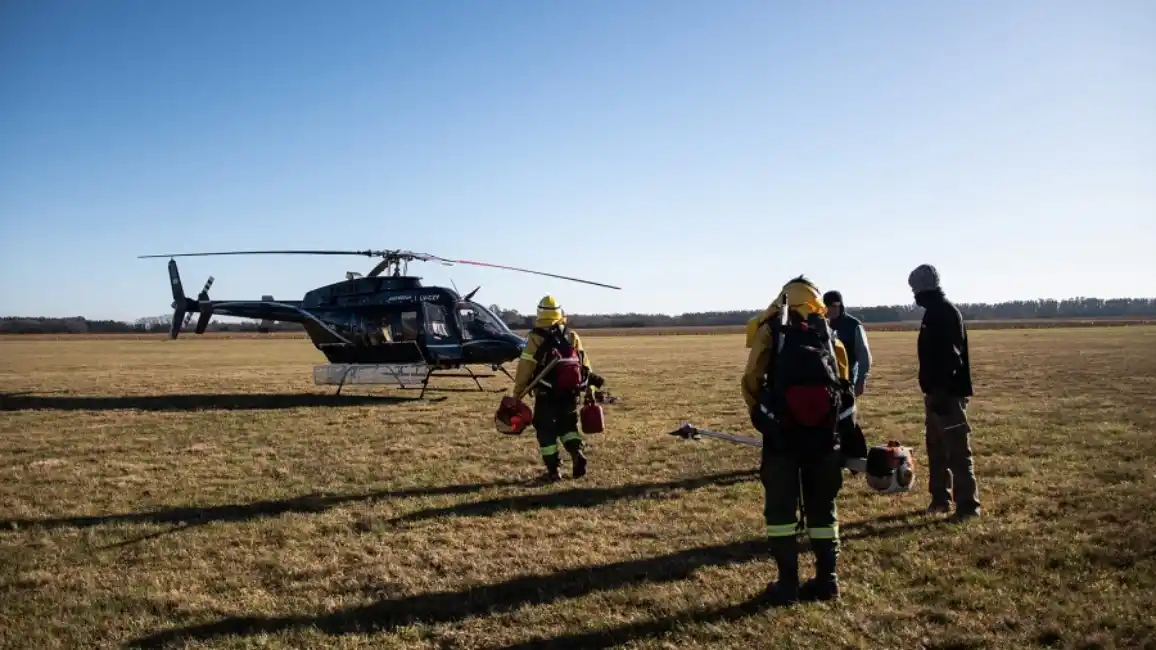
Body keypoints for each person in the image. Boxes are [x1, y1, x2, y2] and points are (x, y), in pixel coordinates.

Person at [742, 275, 859, 605]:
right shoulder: (827, 331)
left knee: (780, 510)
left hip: (783, 436)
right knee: (824, 508)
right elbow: (843, 381)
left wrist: (763, 415)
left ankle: (788, 584)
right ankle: (828, 581)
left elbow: (751, 378)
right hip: (825, 436)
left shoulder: (771, 330)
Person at [908, 264, 980, 520]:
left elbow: (951, 358)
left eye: (915, 290)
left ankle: (968, 505)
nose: (914, 296)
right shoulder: (932, 312)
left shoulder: (944, 313)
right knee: (936, 450)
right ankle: (940, 498)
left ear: (925, 288)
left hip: (947, 396)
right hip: (935, 395)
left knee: (957, 451)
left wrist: (940, 392)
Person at [506, 295, 600, 481]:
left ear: (539, 313)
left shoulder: (535, 337)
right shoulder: (571, 336)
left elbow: (526, 367)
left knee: (545, 429)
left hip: (546, 393)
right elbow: (585, 365)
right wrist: (591, 390)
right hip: (570, 392)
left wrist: (517, 393)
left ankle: (553, 470)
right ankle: (576, 452)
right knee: (568, 426)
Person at [822, 290, 873, 397]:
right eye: (830, 306)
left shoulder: (854, 325)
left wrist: (861, 380)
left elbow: (864, 355)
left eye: (837, 306)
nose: (834, 309)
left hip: (848, 379)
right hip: (825, 379)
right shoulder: (820, 325)